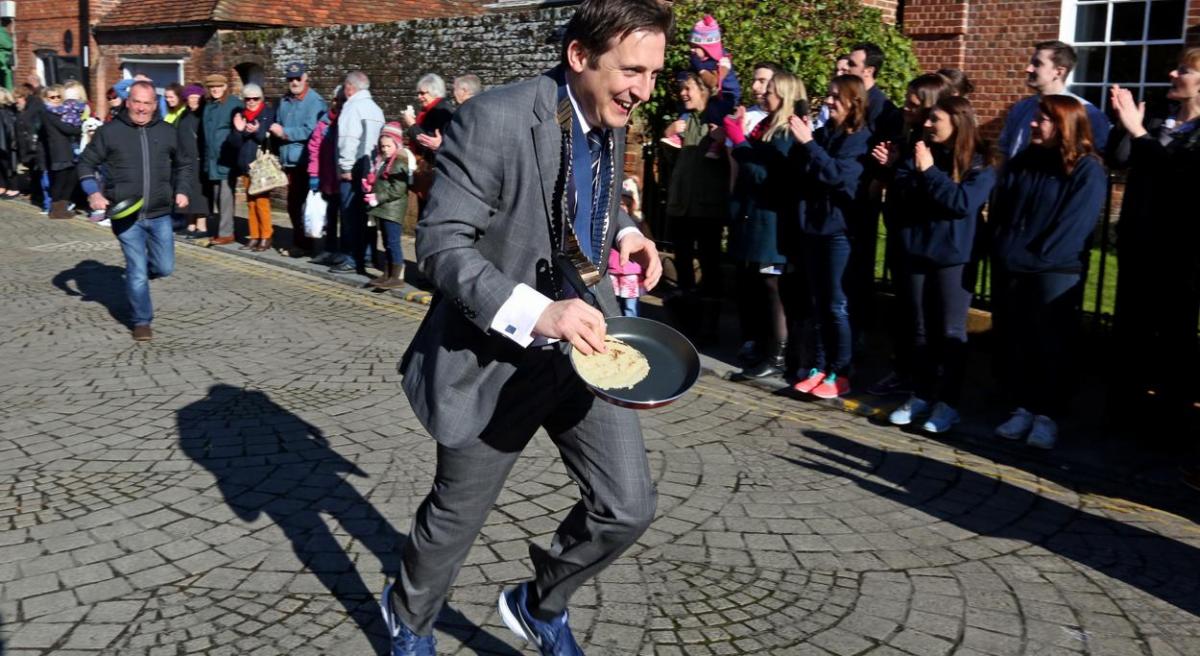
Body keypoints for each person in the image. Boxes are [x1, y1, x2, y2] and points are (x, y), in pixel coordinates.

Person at [382, 1, 669, 654]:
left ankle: (541, 604)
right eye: (632, 70)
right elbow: (442, 246)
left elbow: (582, 211)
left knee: (626, 507)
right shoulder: (494, 118)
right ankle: (408, 614)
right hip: (495, 355)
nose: (644, 89)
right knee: (456, 518)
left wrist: (627, 232)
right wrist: (539, 313)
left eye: (653, 73)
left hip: (585, 349)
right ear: (579, 56)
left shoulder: (610, 110)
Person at [989, 95, 1106, 449]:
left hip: (1054, 272)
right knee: (1020, 340)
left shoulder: (1087, 169)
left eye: (1042, 120)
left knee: (1052, 343)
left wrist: (1027, 257)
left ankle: (1048, 414)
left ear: (1065, 125)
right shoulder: (1024, 161)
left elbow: (1073, 227)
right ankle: (1023, 406)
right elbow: (1003, 210)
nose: (1033, 124)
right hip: (1015, 267)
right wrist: (1003, 248)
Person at [885, 96, 996, 433]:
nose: (927, 124)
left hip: (954, 256)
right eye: (927, 119)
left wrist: (929, 173)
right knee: (918, 328)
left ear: (957, 122)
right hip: (916, 250)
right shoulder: (918, 151)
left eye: (935, 119)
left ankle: (947, 403)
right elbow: (903, 190)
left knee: (949, 331)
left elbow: (961, 203)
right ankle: (920, 394)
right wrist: (927, 179)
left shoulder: (982, 161)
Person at [1107, 48, 1200, 427]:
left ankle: (1171, 419)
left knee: (1174, 334)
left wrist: (1140, 133)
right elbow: (1119, 159)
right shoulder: (1161, 118)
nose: (1173, 74)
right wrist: (1123, 125)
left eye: (1185, 69)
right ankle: (1124, 412)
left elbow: (1180, 177)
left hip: (1180, 250)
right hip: (1138, 241)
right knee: (1131, 329)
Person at [77, 81, 192, 341]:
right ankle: (142, 320)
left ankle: (137, 278)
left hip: (160, 212)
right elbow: (85, 163)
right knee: (137, 270)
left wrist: (183, 190)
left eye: (147, 103)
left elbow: (184, 164)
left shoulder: (167, 131)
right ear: (128, 102)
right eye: (137, 102)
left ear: (155, 105)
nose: (141, 108)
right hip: (125, 215)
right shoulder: (110, 132)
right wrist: (93, 193)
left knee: (164, 267)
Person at [867, 73, 954, 397]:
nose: (905, 108)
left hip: (930, 241)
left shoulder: (939, 150)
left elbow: (931, 193)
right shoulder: (906, 141)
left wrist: (897, 170)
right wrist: (891, 168)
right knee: (905, 310)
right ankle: (903, 371)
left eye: (913, 105)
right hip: (902, 234)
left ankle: (922, 382)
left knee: (925, 316)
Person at [790, 74, 873, 400]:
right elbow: (804, 170)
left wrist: (810, 145)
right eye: (828, 95)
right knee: (818, 301)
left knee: (837, 304)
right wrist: (805, 142)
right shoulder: (825, 134)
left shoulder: (861, 140)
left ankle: (842, 370)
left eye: (835, 97)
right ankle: (820, 366)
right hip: (814, 227)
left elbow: (839, 176)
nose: (828, 101)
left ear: (854, 103)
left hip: (840, 232)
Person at [721, 73, 803, 380]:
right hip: (755, 220)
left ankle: (779, 356)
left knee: (774, 289)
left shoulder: (785, 132)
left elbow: (764, 176)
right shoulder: (767, 125)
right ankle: (768, 347)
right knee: (761, 287)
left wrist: (739, 142)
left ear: (784, 96)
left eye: (770, 91)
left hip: (774, 225)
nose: (763, 95)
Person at [843, 42, 903, 350]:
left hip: (863, 196)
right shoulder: (852, 99)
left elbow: (885, 155)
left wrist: (878, 181)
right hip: (844, 196)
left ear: (869, 70)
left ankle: (859, 331)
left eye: (852, 64)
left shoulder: (884, 109)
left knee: (859, 267)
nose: (845, 67)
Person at [663, 72, 729, 301]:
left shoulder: (718, 120)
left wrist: (723, 139)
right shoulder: (685, 121)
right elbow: (674, 162)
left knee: (710, 261)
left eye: (687, 88)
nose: (682, 93)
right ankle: (686, 305)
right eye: (681, 88)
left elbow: (731, 161)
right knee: (682, 257)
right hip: (682, 204)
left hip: (707, 206)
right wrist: (668, 135)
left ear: (703, 89)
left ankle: (710, 318)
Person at [998, 40, 1110, 162]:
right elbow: (1003, 153)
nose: (1028, 69)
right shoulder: (1021, 108)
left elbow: (1097, 161)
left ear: (1059, 72)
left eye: (1037, 64)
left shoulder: (1086, 113)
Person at [270, 61, 327, 258]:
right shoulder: (285, 101)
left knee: (301, 204)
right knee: (294, 204)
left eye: (298, 78)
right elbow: (277, 122)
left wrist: (284, 132)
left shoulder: (315, 102)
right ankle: (301, 241)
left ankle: (305, 245)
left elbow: (312, 130)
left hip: (305, 161)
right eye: (290, 79)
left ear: (305, 78)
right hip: (289, 160)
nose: (294, 82)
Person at [662, 14, 740, 154]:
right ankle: (679, 135)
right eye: (691, 46)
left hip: (727, 96)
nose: (691, 50)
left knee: (715, 113)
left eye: (695, 46)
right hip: (713, 95)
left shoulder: (723, 61)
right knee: (685, 111)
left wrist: (701, 69)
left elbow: (715, 83)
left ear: (708, 47)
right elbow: (690, 76)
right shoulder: (696, 60)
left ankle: (717, 144)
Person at [331, 71, 384, 274]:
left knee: (350, 215)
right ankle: (369, 257)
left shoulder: (352, 107)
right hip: (370, 170)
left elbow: (348, 139)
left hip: (353, 169)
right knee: (367, 216)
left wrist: (345, 167)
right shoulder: (376, 109)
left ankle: (352, 259)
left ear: (349, 88)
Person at [226, 83, 276, 252]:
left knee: (261, 201)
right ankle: (254, 236)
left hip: (260, 165)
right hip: (245, 164)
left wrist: (255, 131)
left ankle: (266, 236)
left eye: (255, 98)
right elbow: (233, 142)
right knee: (251, 203)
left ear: (260, 99)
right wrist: (239, 130)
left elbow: (266, 137)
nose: (251, 102)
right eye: (248, 99)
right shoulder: (240, 115)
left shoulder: (268, 113)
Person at [362, 122, 412, 289]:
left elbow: (398, 189)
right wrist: (369, 186)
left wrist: (377, 196)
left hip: (393, 210)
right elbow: (382, 182)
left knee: (393, 242)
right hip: (384, 209)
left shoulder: (399, 162)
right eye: (382, 146)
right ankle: (388, 273)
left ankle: (397, 276)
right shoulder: (385, 161)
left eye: (388, 146)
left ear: (397, 144)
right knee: (386, 242)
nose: (384, 149)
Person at [401, 73, 454, 217]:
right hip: (427, 173)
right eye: (418, 93)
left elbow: (427, 141)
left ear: (434, 92)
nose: (419, 97)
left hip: (433, 173)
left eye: (423, 93)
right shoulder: (430, 111)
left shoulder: (439, 112)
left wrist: (411, 124)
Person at [199, 74, 241, 245]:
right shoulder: (209, 106)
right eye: (212, 87)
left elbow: (238, 132)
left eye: (218, 86)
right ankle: (222, 230)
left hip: (226, 158)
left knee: (225, 196)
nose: (215, 89)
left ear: (225, 86)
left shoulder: (234, 104)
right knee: (217, 196)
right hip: (212, 159)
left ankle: (226, 233)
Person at [307, 87, 345, 264]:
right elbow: (314, 148)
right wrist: (314, 174)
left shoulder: (347, 121)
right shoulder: (324, 123)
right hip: (327, 178)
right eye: (335, 99)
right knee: (329, 216)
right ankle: (329, 249)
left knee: (345, 218)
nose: (338, 103)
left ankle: (344, 252)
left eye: (341, 99)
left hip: (343, 178)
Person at [42, 84, 83, 219]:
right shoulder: (49, 113)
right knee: (60, 180)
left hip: (68, 150)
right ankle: (55, 210)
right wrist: (81, 128)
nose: (56, 99)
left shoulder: (63, 110)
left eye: (58, 96)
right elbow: (66, 129)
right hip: (59, 151)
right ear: (46, 98)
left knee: (71, 178)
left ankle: (62, 208)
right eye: (52, 97)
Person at [176, 84, 208, 237]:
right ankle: (190, 225)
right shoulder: (184, 114)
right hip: (185, 159)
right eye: (190, 97)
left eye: (196, 97)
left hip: (199, 158)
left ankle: (202, 226)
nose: (193, 100)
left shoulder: (203, 115)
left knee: (199, 194)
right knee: (187, 191)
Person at [0, 88, 18, 199]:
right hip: (3, 143)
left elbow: (10, 129)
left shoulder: (7, 111)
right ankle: (2, 186)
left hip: (7, 144)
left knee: (10, 166)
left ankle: (14, 188)